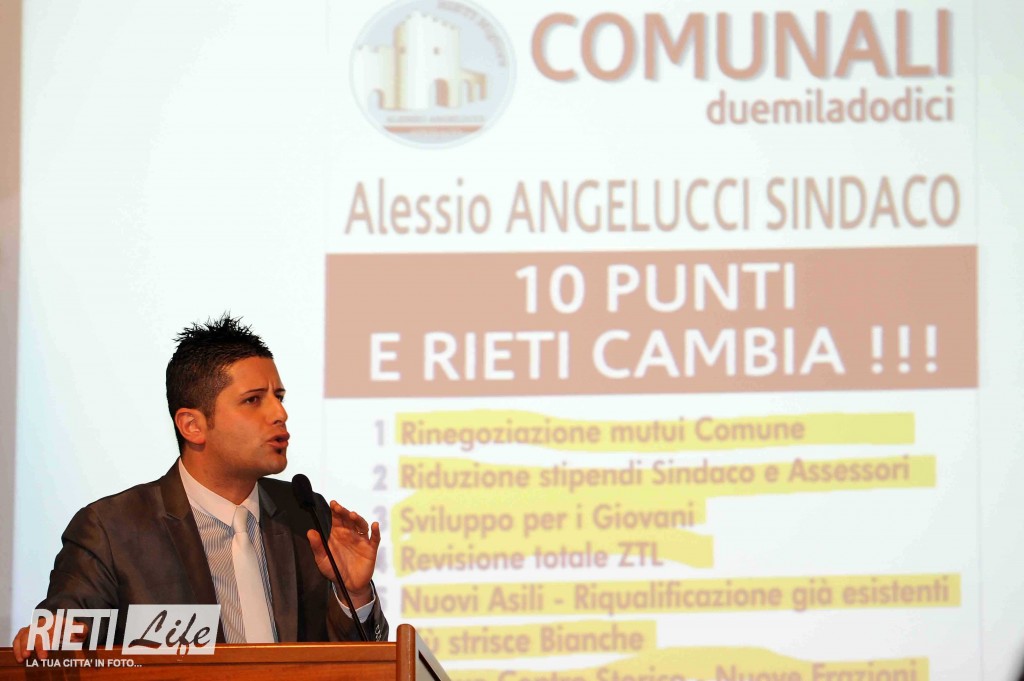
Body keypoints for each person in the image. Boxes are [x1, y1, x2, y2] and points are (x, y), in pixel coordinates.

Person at [12, 314, 386, 661]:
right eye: (253, 400)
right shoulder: (112, 529)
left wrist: (353, 594)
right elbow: (65, 620)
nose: (279, 413)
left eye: (279, 397)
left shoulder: (304, 515)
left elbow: (350, 664)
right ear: (192, 425)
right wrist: (50, 633)